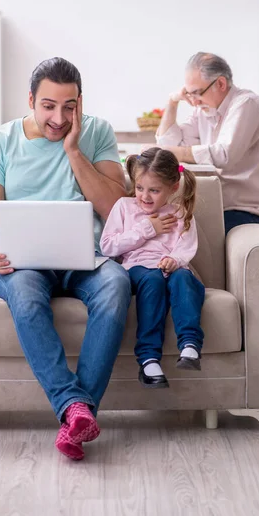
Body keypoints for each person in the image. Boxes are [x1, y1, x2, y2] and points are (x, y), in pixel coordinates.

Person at [0, 57, 131, 461]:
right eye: (48, 106)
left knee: (117, 283)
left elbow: (115, 209)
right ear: (30, 100)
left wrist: (74, 151)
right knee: (23, 291)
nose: (59, 118)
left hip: (87, 260)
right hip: (24, 264)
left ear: (80, 102)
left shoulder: (96, 133)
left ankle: (75, 415)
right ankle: (76, 409)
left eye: (69, 107)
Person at [100, 147, 205, 389]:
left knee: (184, 279)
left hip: (171, 268)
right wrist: (147, 229)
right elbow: (108, 246)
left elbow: (186, 247)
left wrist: (175, 260)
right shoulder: (124, 207)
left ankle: (190, 346)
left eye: (154, 191)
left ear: (173, 187)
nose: (145, 196)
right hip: (139, 270)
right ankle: (148, 359)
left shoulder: (179, 212)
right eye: (139, 188)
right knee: (154, 280)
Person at [156, 52, 259, 235]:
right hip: (226, 206)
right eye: (189, 94)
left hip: (254, 212)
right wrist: (172, 102)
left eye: (197, 93)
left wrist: (170, 152)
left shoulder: (247, 104)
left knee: (181, 230)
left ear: (220, 84)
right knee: (168, 222)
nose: (193, 101)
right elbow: (170, 142)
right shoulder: (204, 110)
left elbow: (224, 155)